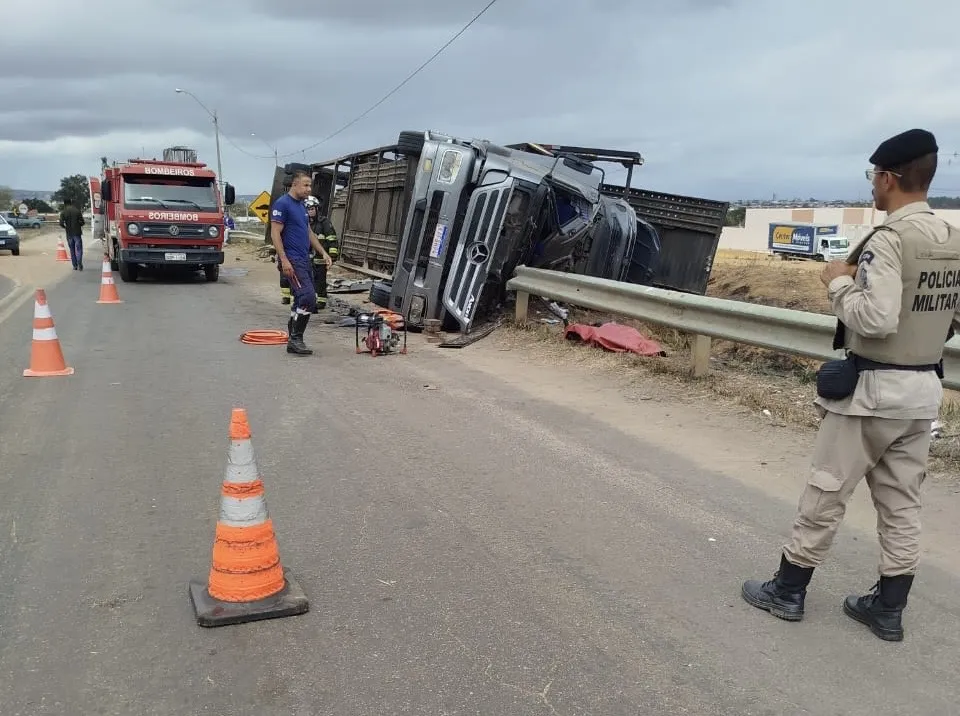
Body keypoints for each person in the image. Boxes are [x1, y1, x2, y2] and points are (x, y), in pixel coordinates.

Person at [741, 128, 960, 642]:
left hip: (871, 392)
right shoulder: (952, 238)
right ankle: (888, 608)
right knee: (902, 501)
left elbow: (877, 318)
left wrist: (837, 281)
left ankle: (788, 590)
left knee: (826, 490)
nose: (871, 186)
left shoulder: (888, 240)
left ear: (890, 177)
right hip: (923, 390)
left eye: (873, 177)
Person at [270, 171, 333, 355]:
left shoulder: (301, 207)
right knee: (307, 297)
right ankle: (296, 338)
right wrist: (284, 260)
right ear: (295, 185)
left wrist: (323, 252)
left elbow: (308, 233)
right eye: (305, 185)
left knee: (300, 298)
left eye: (310, 186)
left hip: (304, 259)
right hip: (292, 260)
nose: (308, 189)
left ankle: (293, 338)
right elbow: (275, 234)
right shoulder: (283, 204)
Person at [304, 195, 339, 313]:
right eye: (308, 209)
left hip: (320, 259)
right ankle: (309, 300)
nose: (310, 211)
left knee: (320, 280)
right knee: (308, 280)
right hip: (307, 258)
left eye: (312, 209)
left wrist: (332, 254)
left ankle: (321, 301)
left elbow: (332, 238)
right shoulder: (304, 223)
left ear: (317, 209)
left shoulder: (324, 222)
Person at [58, 198, 86, 271]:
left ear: (64, 203)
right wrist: (78, 224)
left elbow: (61, 223)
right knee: (79, 249)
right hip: (77, 233)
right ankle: (79, 261)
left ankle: (75, 265)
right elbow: (83, 222)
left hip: (69, 234)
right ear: (71, 203)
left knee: (72, 249)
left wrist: (65, 227)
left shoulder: (63, 212)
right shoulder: (77, 211)